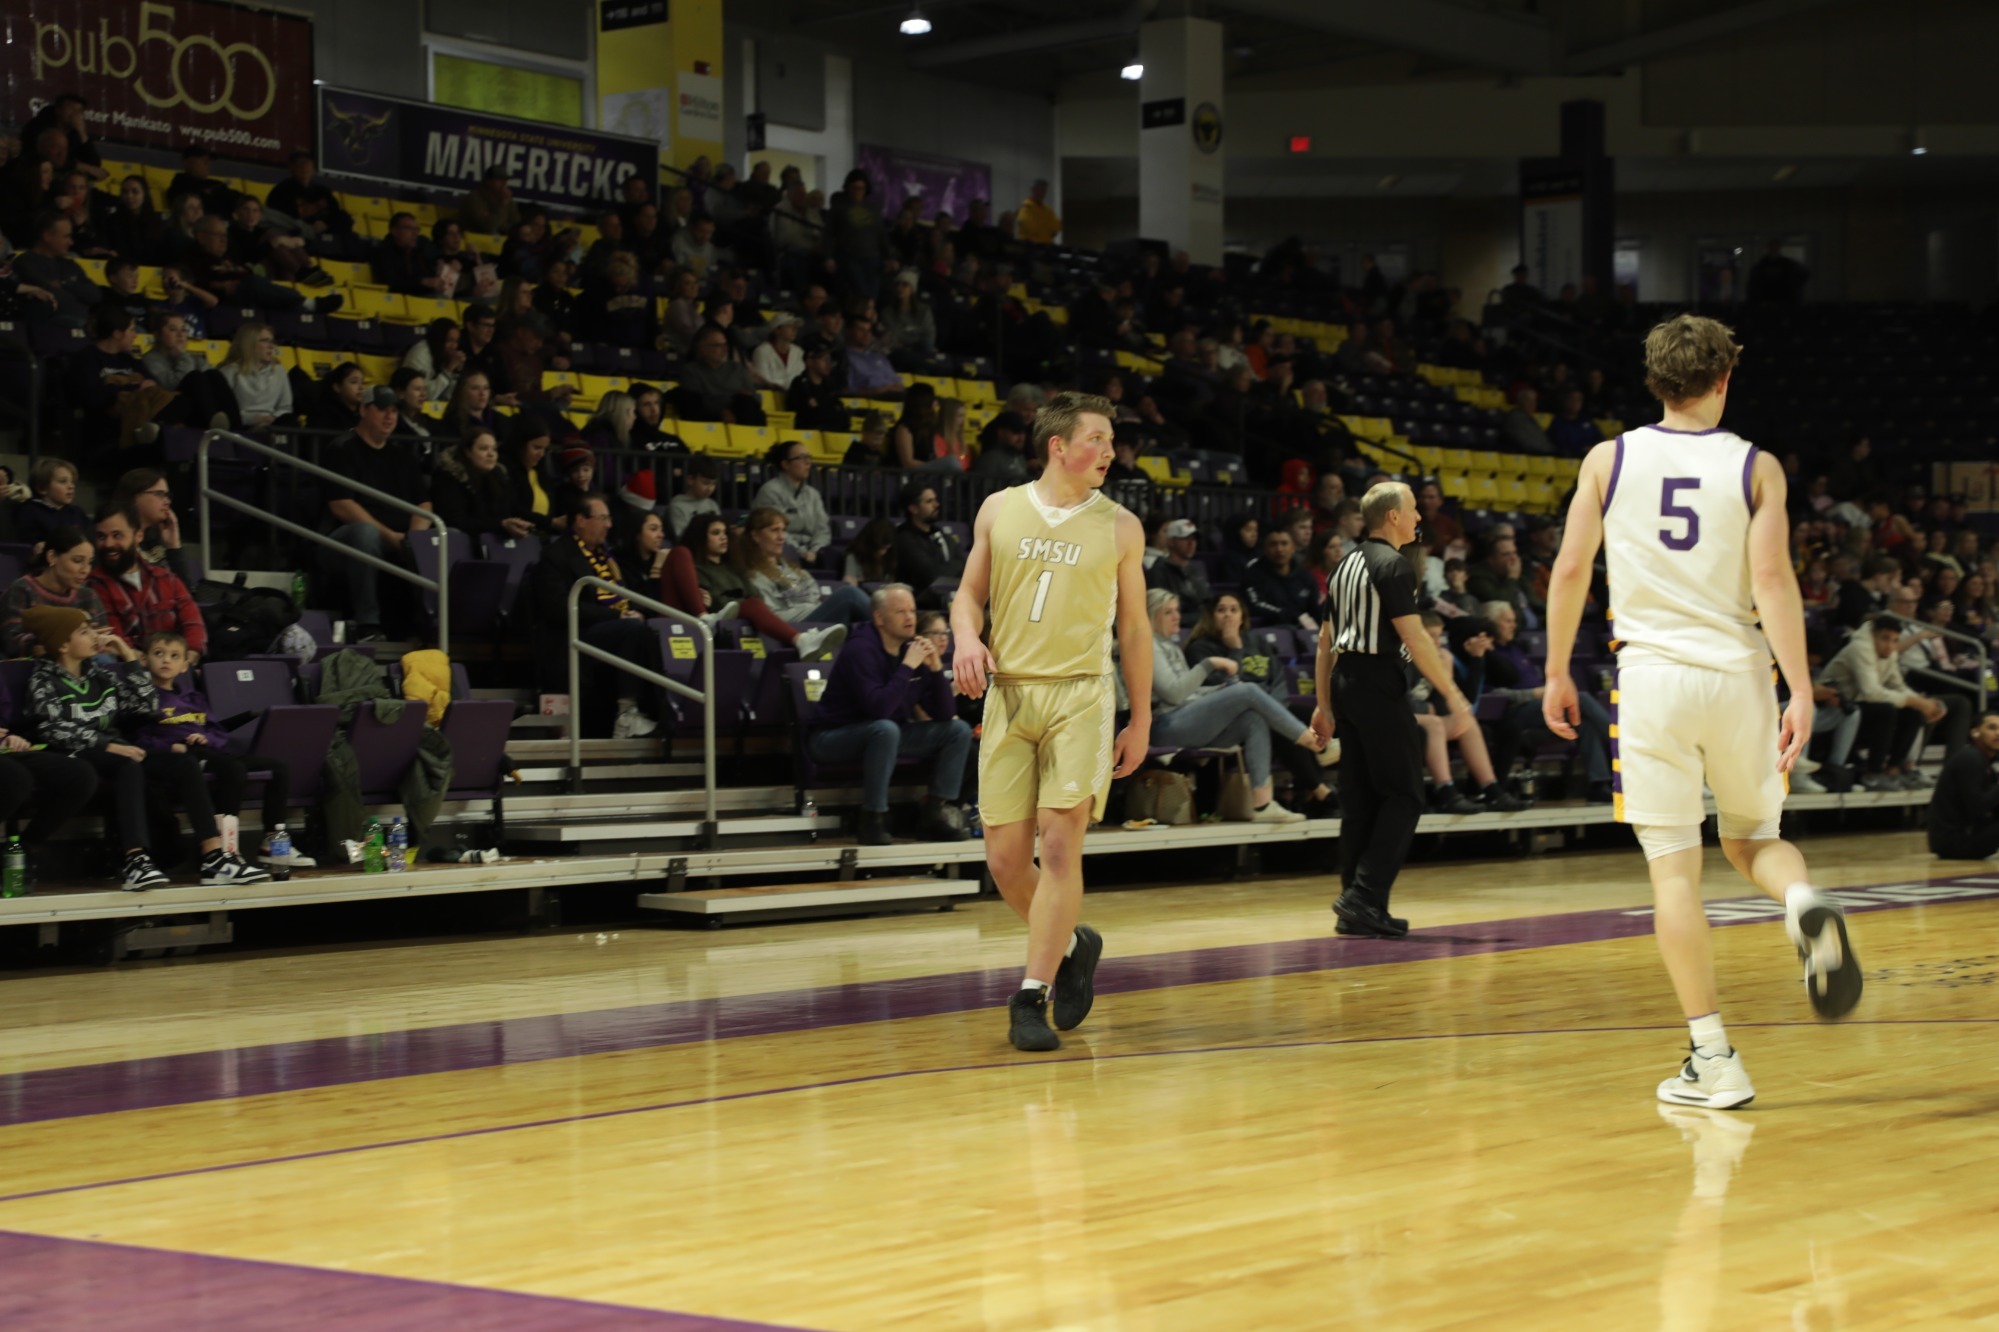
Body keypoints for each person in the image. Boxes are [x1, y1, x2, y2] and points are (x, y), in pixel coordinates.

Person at [1540, 313, 1861, 1113]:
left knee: (1673, 871)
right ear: (1724, 378)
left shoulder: (1606, 459)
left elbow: (1572, 565)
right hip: (1739, 673)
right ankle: (1801, 903)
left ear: (1654, 379)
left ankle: (1713, 1058)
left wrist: (1552, 669)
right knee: (1756, 839)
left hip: (1651, 680)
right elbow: (1773, 581)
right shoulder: (1756, 467)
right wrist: (1798, 685)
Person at [951, 391, 1150, 1054]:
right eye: (1095, 438)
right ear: (1057, 446)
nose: (1108, 451)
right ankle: (1070, 946)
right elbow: (967, 596)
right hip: (1008, 695)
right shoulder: (998, 509)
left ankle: (1030, 994)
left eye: (1111, 440)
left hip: (1080, 697)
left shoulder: (1120, 526)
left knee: (1059, 847)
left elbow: (1135, 630)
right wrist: (964, 639)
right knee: (1005, 860)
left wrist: (1140, 716)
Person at [1314, 483, 1472, 938]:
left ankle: (1357, 908)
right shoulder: (1394, 565)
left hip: (1347, 684)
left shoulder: (1345, 565)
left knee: (1361, 800)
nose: (1420, 516)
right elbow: (1415, 637)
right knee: (1405, 795)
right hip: (1379, 684)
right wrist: (1453, 696)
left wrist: (1324, 704)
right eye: (1414, 509)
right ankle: (1363, 896)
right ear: (1393, 517)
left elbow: (1326, 640)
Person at [21, 605, 268, 889]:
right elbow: (51, 728)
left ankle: (213, 856)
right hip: (76, 754)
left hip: (118, 750)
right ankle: (136, 860)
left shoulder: (99, 674)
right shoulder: (42, 680)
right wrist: (106, 745)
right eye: (84, 631)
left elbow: (146, 706)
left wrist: (128, 656)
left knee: (185, 764)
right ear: (63, 643)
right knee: (127, 764)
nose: (95, 635)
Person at [809, 584, 974, 845]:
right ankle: (873, 818)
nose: (910, 617)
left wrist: (934, 670)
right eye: (900, 612)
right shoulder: (860, 649)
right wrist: (909, 666)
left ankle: (934, 813)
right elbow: (879, 709)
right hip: (833, 737)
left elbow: (944, 712)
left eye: (912, 610)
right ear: (879, 618)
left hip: (888, 735)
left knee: (958, 730)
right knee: (885, 728)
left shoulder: (913, 647)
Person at [1148, 589, 1319, 822]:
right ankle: (1309, 739)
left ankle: (1262, 804)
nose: (1177, 616)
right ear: (1151, 615)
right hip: (1163, 727)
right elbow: (1174, 694)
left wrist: (1221, 691)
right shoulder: (1149, 644)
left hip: (1186, 721)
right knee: (1246, 690)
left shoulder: (1169, 645)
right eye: (1168, 612)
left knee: (1253, 718)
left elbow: (1192, 692)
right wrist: (1209, 664)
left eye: (1177, 610)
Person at [133, 630, 299, 864]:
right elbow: (140, 737)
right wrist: (171, 746)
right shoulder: (144, 698)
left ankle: (272, 842)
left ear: (184, 665)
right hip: (178, 756)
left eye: (174, 656)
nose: (166, 660)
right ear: (144, 660)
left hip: (208, 750)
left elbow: (218, 731)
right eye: (159, 654)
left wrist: (205, 738)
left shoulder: (194, 698)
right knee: (233, 770)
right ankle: (225, 846)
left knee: (279, 767)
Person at [530, 494, 663, 740]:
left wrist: (634, 610)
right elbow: (558, 607)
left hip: (607, 629)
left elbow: (625, 595)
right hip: (573, 635)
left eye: (609, 518)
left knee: (656, 629)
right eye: (602, 518)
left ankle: (665, 714)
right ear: (581, 520)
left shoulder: (607, 557)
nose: (609, 525)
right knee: (632, 629)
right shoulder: (555, 555)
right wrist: (617, 615)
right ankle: (626, 714)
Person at [322, 387, 433, 639]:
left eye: (394, 411)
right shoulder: (342, 449)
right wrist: (391, 536)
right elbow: (341, 505)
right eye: (382, 409)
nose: (389, 416)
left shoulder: (402, 456)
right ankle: (368, 625)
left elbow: (424, 505)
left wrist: (414, 539)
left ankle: (433, 623)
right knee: (366, 534)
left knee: (445, 537)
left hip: (401, 538)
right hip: (344, 542)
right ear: (363, 410)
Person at [666, 512, 846, 660]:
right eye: (715, 533)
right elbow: (715, 601)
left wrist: (731, 601)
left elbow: (754, 597)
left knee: (754, 603)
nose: (723, 537)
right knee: (847, 596)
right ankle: (802, 640)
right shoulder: (694, 567)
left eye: (725, 533)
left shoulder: (734, 567)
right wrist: (718, 604)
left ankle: (803, 641)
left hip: (740, 617)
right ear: (700, 536)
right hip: (717, 619)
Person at [1819, 616, 1954, 789]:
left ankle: (1894, 771)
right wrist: (1915, 701)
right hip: (1834, 707)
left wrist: (1923, 703)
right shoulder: (1860, 648)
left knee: (1913, 712)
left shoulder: (1889, 653)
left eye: (1895, 640)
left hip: (1856, 708)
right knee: (1886, 710)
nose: (1890, 645)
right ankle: (1872, 774)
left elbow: (1897, 685)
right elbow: (1871, 692)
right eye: (1885, 638)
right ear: (1873, 635)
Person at [88, 506, 206, 658]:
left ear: (138, 536)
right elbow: (114, 642)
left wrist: (188, 659)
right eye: (101, 537)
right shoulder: (93, 585)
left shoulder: (166, 578)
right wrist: (154, 663)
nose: (108, 544)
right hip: (128, 672)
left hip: (176, 668)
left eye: (117, 535)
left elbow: (193, 623)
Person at [0, 527, 128, 660]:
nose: (85, 570)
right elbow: (12, 641)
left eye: (89, 563)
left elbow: (103, 642)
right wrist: (67, 639)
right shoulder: (22, 589)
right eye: (77, 561)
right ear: (52, 557)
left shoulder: (88, 596)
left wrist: (97, 640)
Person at [734, 508, 872, 626]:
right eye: (774, 530)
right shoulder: (754, 576)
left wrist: (817, 607)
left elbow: (814, 594)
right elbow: (773, 616)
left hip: (817, 618)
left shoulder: (792, 568)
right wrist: (811, 609)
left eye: (783, 530)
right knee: (849, 594)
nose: (781, 537)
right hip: (799, 628)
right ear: (756, 535)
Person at [1929, 710, 1999, 860]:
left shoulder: (1985, 760)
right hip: (1956, 842)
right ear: (1975, 732)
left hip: (1966, 835)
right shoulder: (1970, 758)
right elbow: (1977, 806)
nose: (1998, 733)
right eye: (1992, 728)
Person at [752, 440, 833, 563]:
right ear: (785, 464)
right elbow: (774, 530)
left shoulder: (813, 494)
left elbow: (822, 529)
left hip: (812, 553)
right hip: (784, 550)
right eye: (801, 458)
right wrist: (800, 551)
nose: (808, 462)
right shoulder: (770, 491)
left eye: (808, 457)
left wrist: (815, 550)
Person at [217, 321, 294, 428]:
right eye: (265, 341)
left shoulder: (279, 370)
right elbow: (225, 411)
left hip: (272, 424)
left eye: (272, 341)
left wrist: (272, 418)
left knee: (290, 421)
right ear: (248, 344)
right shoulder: (229, 371)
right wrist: (254, 419)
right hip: (242, 424)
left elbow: (285, 408)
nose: (271, 346)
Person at [893, 482, 965, 593]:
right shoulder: (904, 539)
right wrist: (958, 565)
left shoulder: (940, 534)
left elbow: (964, 561)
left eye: (935, 500)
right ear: (913, 509)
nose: (936, 505)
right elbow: (932, 576)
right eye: (929, 501)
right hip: (919, 602)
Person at [1245, 528, 1320, 631]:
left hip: (1305, 631)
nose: (1279, 549)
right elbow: (1255, 605)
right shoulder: (1253, 575)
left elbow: (1314, 609)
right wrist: (1289, 615)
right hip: (1271, 630)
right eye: (1273, 544)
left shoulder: (1305, 577)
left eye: (1284, 544)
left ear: (1293, 548)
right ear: (1265, 549)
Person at [15, 458, 90, 551]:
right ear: (42, 488)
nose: (71, 486)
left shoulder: (77, 512)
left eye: (72, 482)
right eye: (63, 481)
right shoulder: (30, 512)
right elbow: (26, 543)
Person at [1146, 519, 1213, 620]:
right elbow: (1161, 612)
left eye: (1194, 539)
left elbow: (1207, 600)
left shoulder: (1194, 570)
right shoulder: (1158, 572)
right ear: (1171, 541)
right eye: (1186, 538)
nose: (1191, 543)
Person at [666, 455, 722, 539]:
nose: (710, 488)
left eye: (714, 483)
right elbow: (682, 538)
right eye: (705, 483)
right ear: (690, 480)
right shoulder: (677, 506)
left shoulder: (712, 504)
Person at [1015, 179, 1061, 245]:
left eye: (1044, 190)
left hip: (1046, 247)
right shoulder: (1026, 207)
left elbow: (1055, 230)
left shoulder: (1048, 210)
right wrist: (1045, 230)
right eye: (1040, 190)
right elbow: (1029, 228)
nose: (1042, 193)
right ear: (1033, 190)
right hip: (1030, 247)